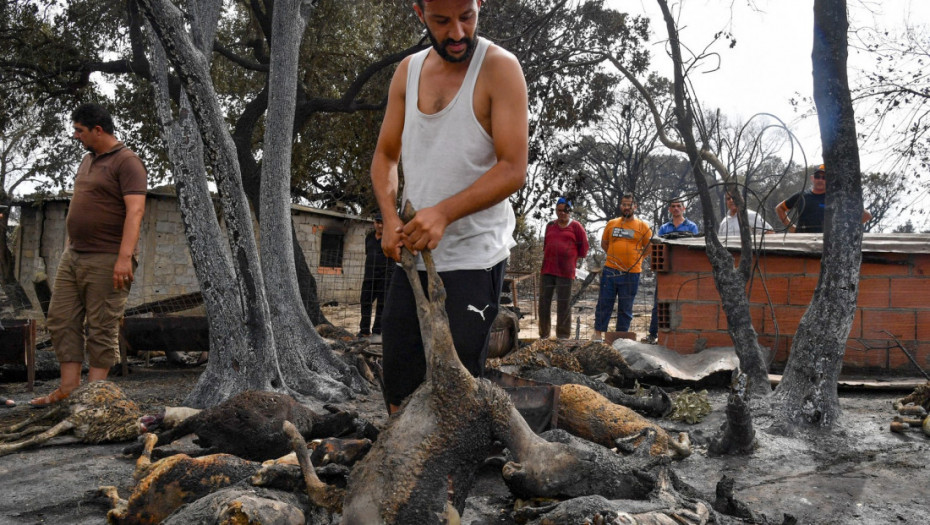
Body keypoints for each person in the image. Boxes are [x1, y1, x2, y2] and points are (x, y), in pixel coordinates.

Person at [370, 0, 528, 413]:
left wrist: (443, 213)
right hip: (413, 261)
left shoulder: (501, 68)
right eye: (442, 21)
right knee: (399, 392)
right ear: (419, 14)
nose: (458, 33)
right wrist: (389, 218)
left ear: (480, 5)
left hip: (474, 258)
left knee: (456, 399)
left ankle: (458, 477)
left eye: (467, 17)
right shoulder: (408, 72)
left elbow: (513, 169)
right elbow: (385, 158)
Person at [29, 103, 146, 406]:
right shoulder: (87, 160)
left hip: (108, 257)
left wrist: (124, 257)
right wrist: (71, 242)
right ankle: (68, 388)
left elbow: (135, 211)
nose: (75, 135)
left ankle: (93, 398)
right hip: (75, 255)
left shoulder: (128, 162)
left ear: (98, 129)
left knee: (101, 325)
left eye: (80, 130)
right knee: (60, 317)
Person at [594, 193, 652, 342]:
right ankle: (598, 335)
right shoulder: (612, 223)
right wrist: (615, 257)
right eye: (624, 204)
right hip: (610, 271)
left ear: (635, 206)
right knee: (604, 303)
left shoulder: (642, 226)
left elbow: (650, 246)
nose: (627, 207)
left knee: (625, 308)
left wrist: (636, 259)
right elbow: (604, 244)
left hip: (631, 273)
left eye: (630, 205)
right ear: (621, 206)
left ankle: (620, 339)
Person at [643, 198, 698, 344]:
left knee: (685, 302)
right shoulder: (664, 228)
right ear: (669, 209)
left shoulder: (692, 227)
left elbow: (694, 248)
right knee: (659, 303)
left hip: (684, 271)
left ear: (683, 208)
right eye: (673, 206)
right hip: (666, 271)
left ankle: (686, 334)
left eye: (678, 206)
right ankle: (653, 334)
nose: (676, 209)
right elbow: (658, 246)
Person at [538, 197, 589, 339]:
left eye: (565, 211)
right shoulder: (550, 225)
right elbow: (546, 246)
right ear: (556, 211)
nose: (562, 213)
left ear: (570, 211)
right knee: (544, 303)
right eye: (559, 210)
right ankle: (543, 335)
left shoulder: (576, 227)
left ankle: (563, 336)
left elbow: (584, 249)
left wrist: (570, 260)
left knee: (563, 305)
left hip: (566, 272)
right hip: (547, 269)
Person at [775, 164, 872, 233]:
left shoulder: (837, 198)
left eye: (825, 177)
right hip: (802, 242)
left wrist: (844, 230)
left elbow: (866, 215)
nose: (820, 180)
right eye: (818, 176)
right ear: (812, 178)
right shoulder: (801, 196)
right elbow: (780, 208)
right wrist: (791, 228)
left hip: (828, 245)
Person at [358, 214, 394, 343]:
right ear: (374, 222)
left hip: (385, 278)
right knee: (365, 302)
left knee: (382, 305)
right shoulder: (369, 237)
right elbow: (368, 254)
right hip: (369, 276)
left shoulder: (390, 238)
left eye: (382, 222)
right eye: (377, 222)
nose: (380, 225)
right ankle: (364, 331)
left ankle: (377, 331)